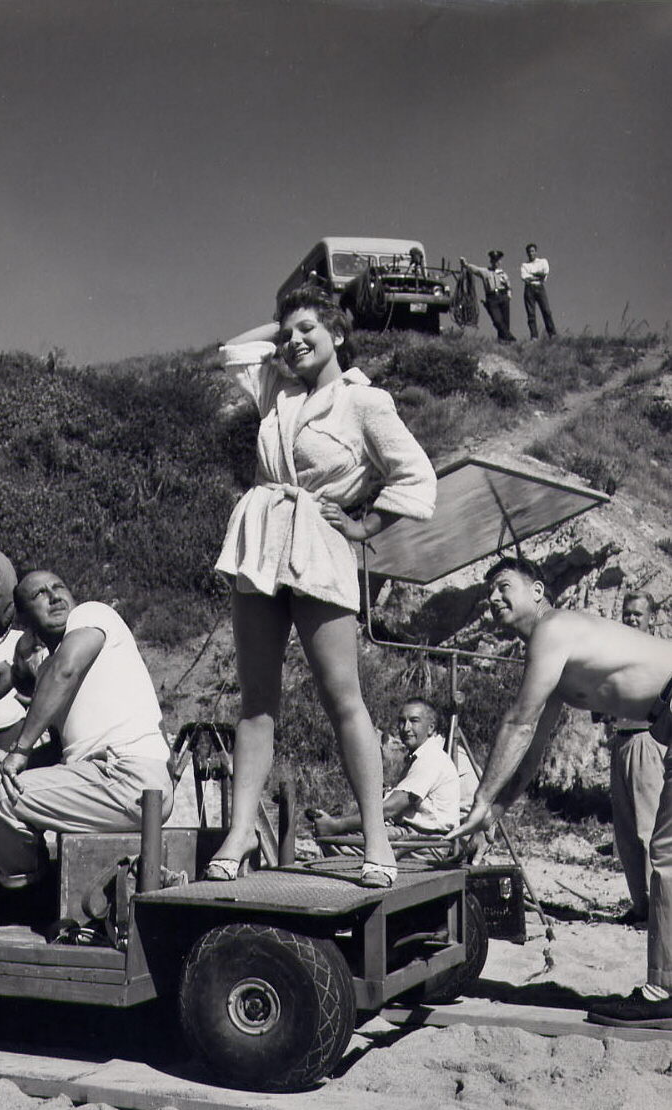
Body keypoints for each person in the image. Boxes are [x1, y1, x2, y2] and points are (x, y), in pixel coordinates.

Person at [208, 286, 437, 888]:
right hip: (260, 545)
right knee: (257, 701)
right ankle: (241, 833)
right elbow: (233, 351)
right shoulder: (275, 391)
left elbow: (416, 476)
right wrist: (288, 323)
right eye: (286, 334)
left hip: (320, 545)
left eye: (308, 329)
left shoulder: (366, 401)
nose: (293, 341)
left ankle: (376, 837)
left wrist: (365, 526)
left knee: (343, 699)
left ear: (338, 333)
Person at [450, 556, 672, 1028]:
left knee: (667, 855)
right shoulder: (553, 656)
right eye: (488, 592)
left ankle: (663, 993)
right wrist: (494, 814)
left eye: (503, 586)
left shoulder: (552, 629)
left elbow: (517, 722)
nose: (492, 597)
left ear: (537, 591)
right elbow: (531, 751)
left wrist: (480, 800)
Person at [0, 570, 173, 895]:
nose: (55, 596)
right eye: (40, 594)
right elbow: (57, 753)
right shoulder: (48, 670)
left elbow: (66, 670)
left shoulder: (92, 614)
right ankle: (27, 888)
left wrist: (18, 751)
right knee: (3, 787)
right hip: (103, 780)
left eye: (58, 587)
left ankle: (24, 894)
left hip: (128, 775)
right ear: (26, 620)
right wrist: (6, 758)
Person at [314, 698, 460, 856]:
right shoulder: (418, 757)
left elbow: (390, 809)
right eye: (402, 721)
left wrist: (337, 825)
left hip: (425, 842)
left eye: (414, 721)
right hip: (411, 836)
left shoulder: (431, 758)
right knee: (345, 836)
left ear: (430, 728)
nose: (406, 728)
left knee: (338, 839)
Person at [603, 592, 667, 924]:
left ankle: (660, 911)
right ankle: (640, 907)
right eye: (626, 613)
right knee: (626, 833)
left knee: (649, 830)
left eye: (637, 614)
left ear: (651, 618)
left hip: (646, 740)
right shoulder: (617, 653)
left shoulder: (660, 653)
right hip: (621, 740)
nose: (630, 619)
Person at [460, 251, 516, 343]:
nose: (495, 262)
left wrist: (509, 296)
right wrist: (465, 264)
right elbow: (475, 270)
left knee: (505, 321)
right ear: (491, 261)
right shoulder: (485, 272)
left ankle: (503, 341)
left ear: (500, 262)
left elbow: (509, 286)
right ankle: (509, 337)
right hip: (492, 298)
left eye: (497, 260)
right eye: (493, 260)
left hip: (503, 296)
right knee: (497, 320)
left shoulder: (503, 274)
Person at [519, 243, 557, 340]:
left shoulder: (543, 261)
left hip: (540, 287)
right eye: (529, 252)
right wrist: (537, 275)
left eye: (532, 251)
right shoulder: (524, 265)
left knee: (546, 311)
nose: (531, 253)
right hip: (529, 288)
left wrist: (532, 275)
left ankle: (552, 334)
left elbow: (545, 273)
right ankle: (534, 336)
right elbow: (524, 277)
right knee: (531, 313)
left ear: (536, 252)